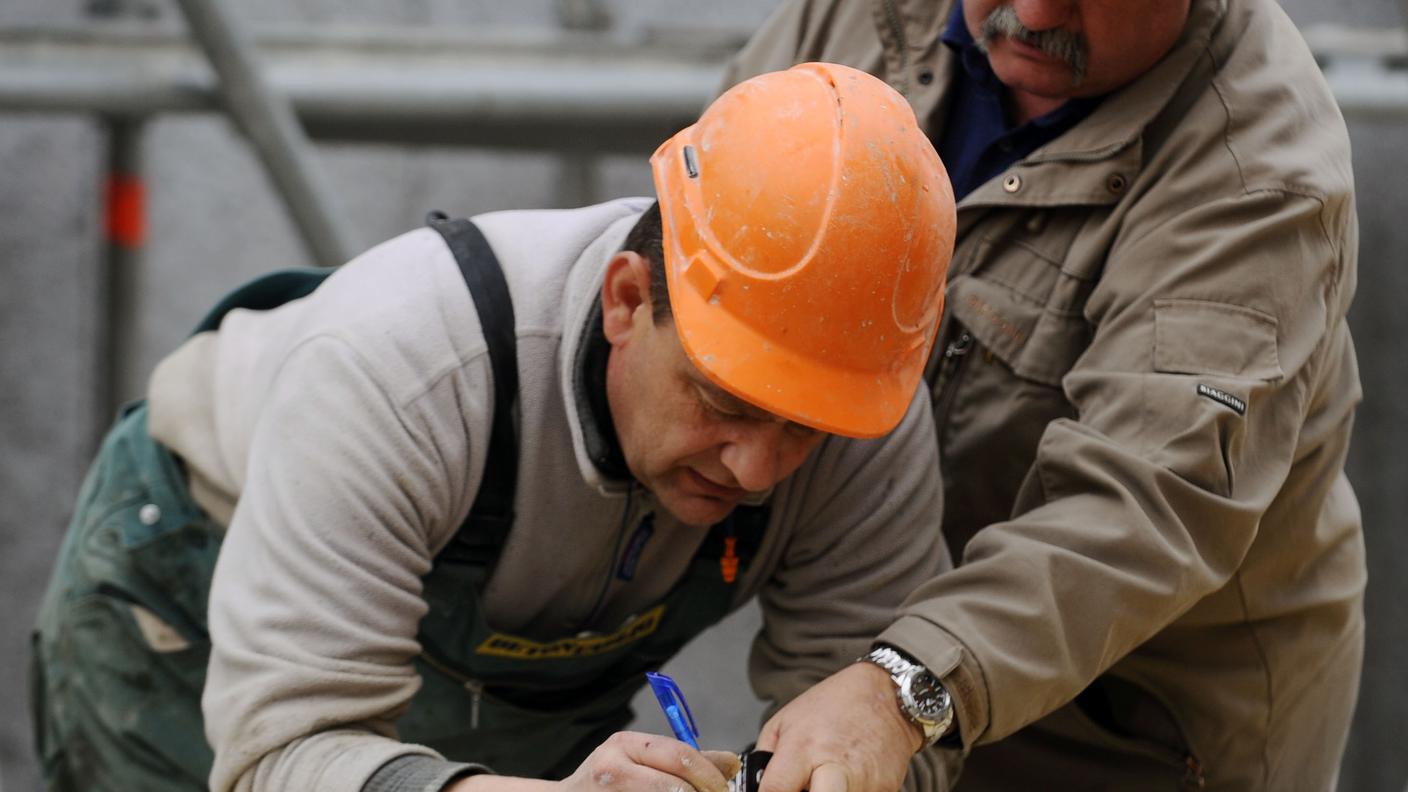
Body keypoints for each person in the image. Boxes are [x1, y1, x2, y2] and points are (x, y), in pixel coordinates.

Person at [29, 63, 961, 792]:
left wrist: (866, 742)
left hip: (504, 687)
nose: (759, 471)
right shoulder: (404, 362)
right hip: (191, 608)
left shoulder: (861, 410)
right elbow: (282, 755)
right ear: (630, 300)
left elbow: (876, 721)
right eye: (724, 403)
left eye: (805, 428)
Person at [723, 1, 1364, 791]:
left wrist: (903, 688)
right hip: (867, 666)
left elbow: (1139, 506)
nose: (1032, 12)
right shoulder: (864, 16)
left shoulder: (1256, 176)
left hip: (1127, 736)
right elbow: (712, 241)